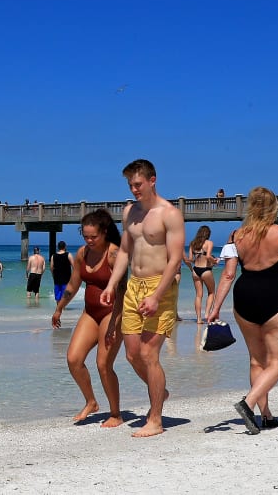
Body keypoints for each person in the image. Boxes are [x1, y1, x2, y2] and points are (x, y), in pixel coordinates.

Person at [208, 186, 278, 435]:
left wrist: (215, 308)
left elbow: (228, 275)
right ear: (274, 207)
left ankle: (266, 416)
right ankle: (248, 402)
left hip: (244, 297)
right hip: (276, 297)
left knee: (257, 360)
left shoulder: (237, 235)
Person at [101, 159, 185, 437]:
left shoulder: (169, 214)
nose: (134, 189)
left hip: (159, 286)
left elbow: (174, 261)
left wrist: (157, 296)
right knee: (132, 354)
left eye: (138, 184)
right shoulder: (129, 212)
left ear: (152, 180)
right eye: (130, 185)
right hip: (134, 285)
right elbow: (125, 250)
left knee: (149, 354)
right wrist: (112, 285)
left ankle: (156, 420)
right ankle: (160, 391)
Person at [51, 210, 125, 427]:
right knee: (73, 359)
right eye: (85, 236)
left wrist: (114, 324)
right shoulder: (83, 253)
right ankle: (91, 402)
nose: (89, 241)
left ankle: (115, 414)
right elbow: (73, 285)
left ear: (104, 232)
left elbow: (122, 292)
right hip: (90, 313)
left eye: (94, 236)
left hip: (112, 313)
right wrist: (59, 308)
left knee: (103, 364)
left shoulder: (114, 254)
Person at [183, 226, 217, 324]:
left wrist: (197, 258)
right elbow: (208, 256)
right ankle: (206, 314)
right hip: (205, 270)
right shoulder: (209, 243)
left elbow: (189, 259)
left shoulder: (192, 244)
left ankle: (198, 319)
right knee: (211, 292)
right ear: (208, 234)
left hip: (195, 271)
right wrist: (214, 261)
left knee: (198, 295)